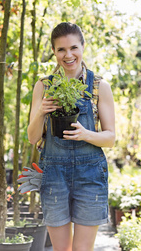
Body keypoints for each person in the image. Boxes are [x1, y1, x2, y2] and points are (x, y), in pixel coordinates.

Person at [21, 22, 115, 251]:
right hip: (54, 175)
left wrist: (85, 134)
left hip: (90, 175)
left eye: (73, 47)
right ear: (54, 51)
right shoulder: (44, 86)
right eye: (61, 49)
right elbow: (32, 138)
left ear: (83, 47)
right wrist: (42, 112)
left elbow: (110, 138)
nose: (68, 55)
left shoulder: (99, 86)